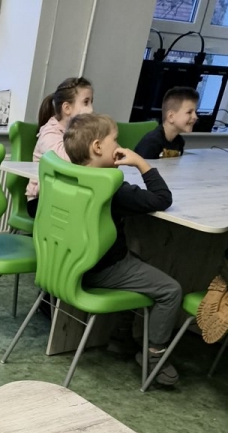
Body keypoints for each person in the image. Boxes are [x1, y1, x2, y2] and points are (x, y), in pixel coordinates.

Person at [63, 113, 183, 386]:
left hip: (69, 264)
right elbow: (162, 198)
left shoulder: (66, 175)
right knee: (170, 290)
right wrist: (141, 162)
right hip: (103, 269)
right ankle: (154, 356)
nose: (119, 145)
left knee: (137, 255)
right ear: (97, 147)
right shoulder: (111, 188)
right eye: (115, 140)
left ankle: (120, 335)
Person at [25, 76, 94, 218]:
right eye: (86, 102)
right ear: (67, 108)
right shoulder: (49, 133)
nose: (91, 109)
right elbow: (67, 160)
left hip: (67, 193)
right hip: (41, 199)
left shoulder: (79, 132)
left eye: (91, 102)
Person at [134, 86, 199, 159]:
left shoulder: (179, 142)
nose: (195, 117)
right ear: (171, 116)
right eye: (189, 112)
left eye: (195, 112)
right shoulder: (151, 142)